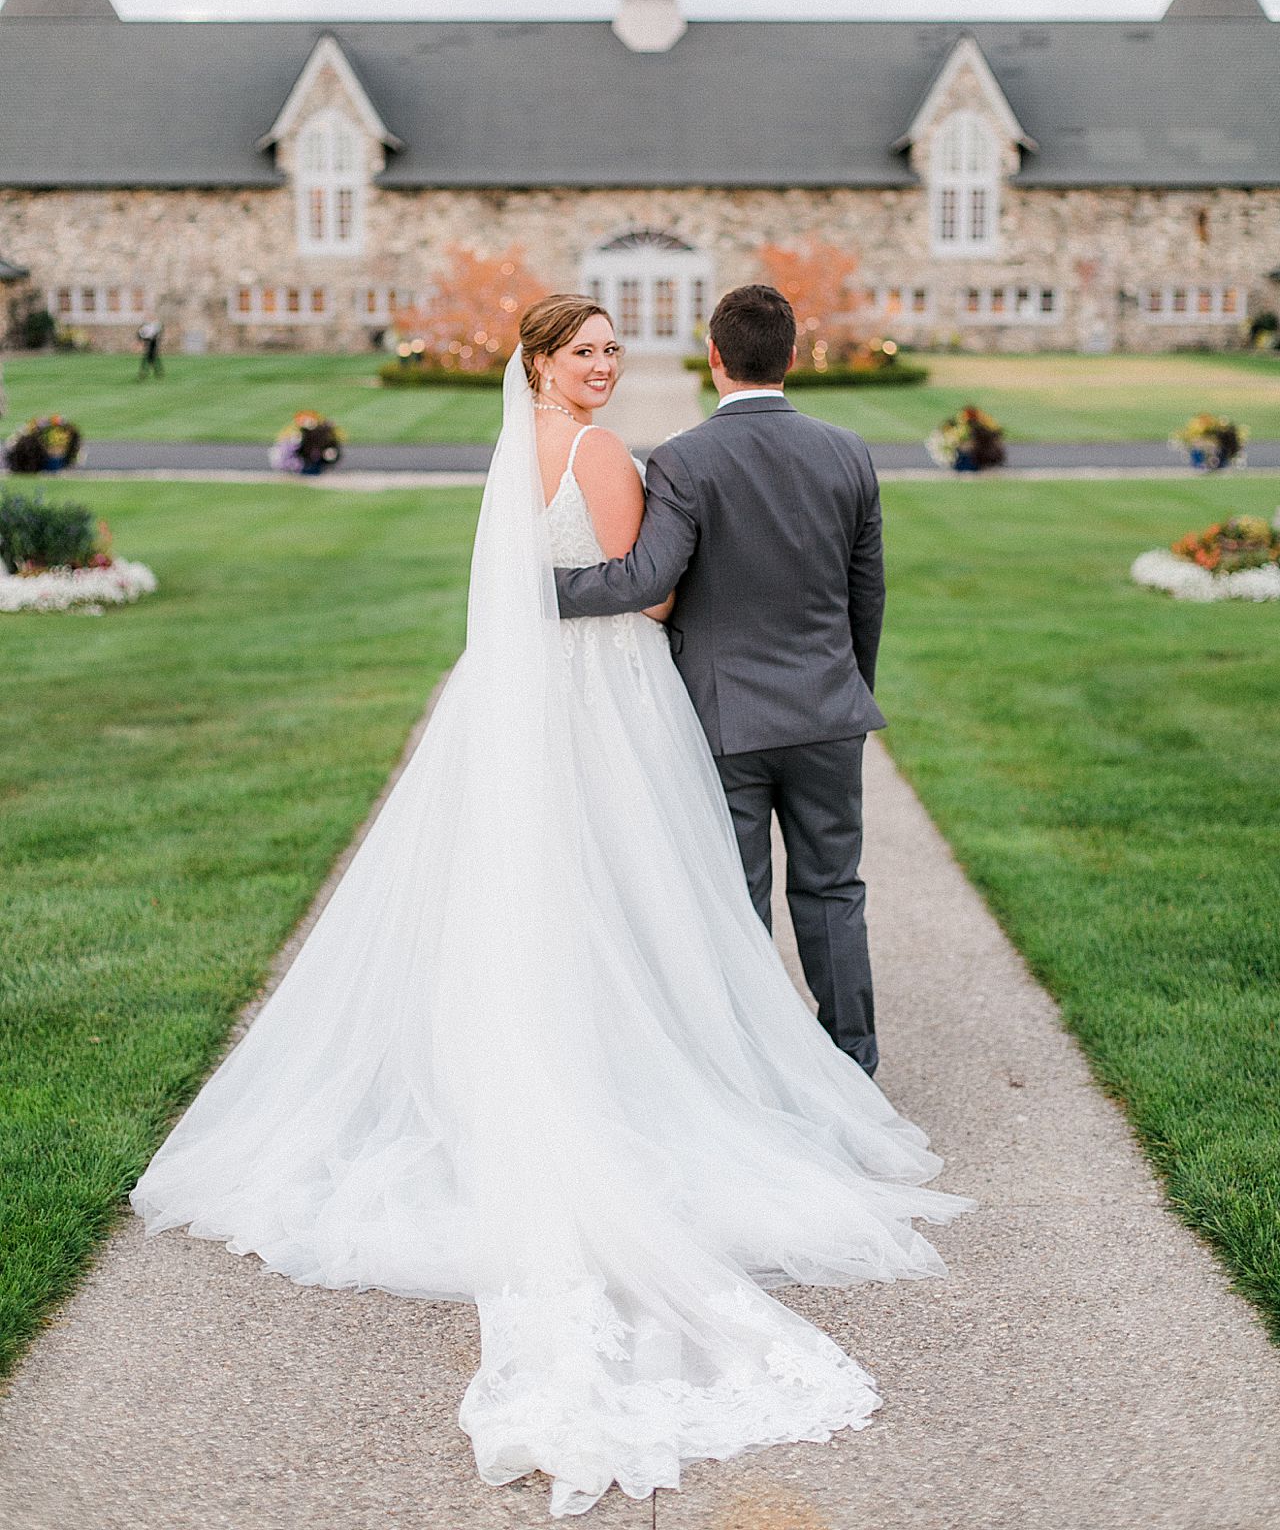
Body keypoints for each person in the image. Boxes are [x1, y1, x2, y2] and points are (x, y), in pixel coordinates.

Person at [131, 293, 971, 1518]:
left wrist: (530, 609)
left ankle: (703, 1055)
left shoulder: (579, 452)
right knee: (701, 894)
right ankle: (799, 1064)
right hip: (667, 697)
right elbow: (658, 589)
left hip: (564, 695)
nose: (603, 365)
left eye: (611, 350)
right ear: (540, 363)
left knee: (632, 890)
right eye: (584, 352)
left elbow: (595, 577)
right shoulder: (659, 453)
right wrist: (833, 670)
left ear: (701, 355)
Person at [556, 284, 886, 1074]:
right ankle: (856, 1063)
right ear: (794, 358)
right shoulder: (848, 451)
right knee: (834, 890)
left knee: (735, 903)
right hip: (829, 713)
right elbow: (865, 594)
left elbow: (644, 579)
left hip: (724, 721)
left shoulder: (684, 458)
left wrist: (539, 589)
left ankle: (753, 1069)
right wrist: (847, 686)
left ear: (713, 358)